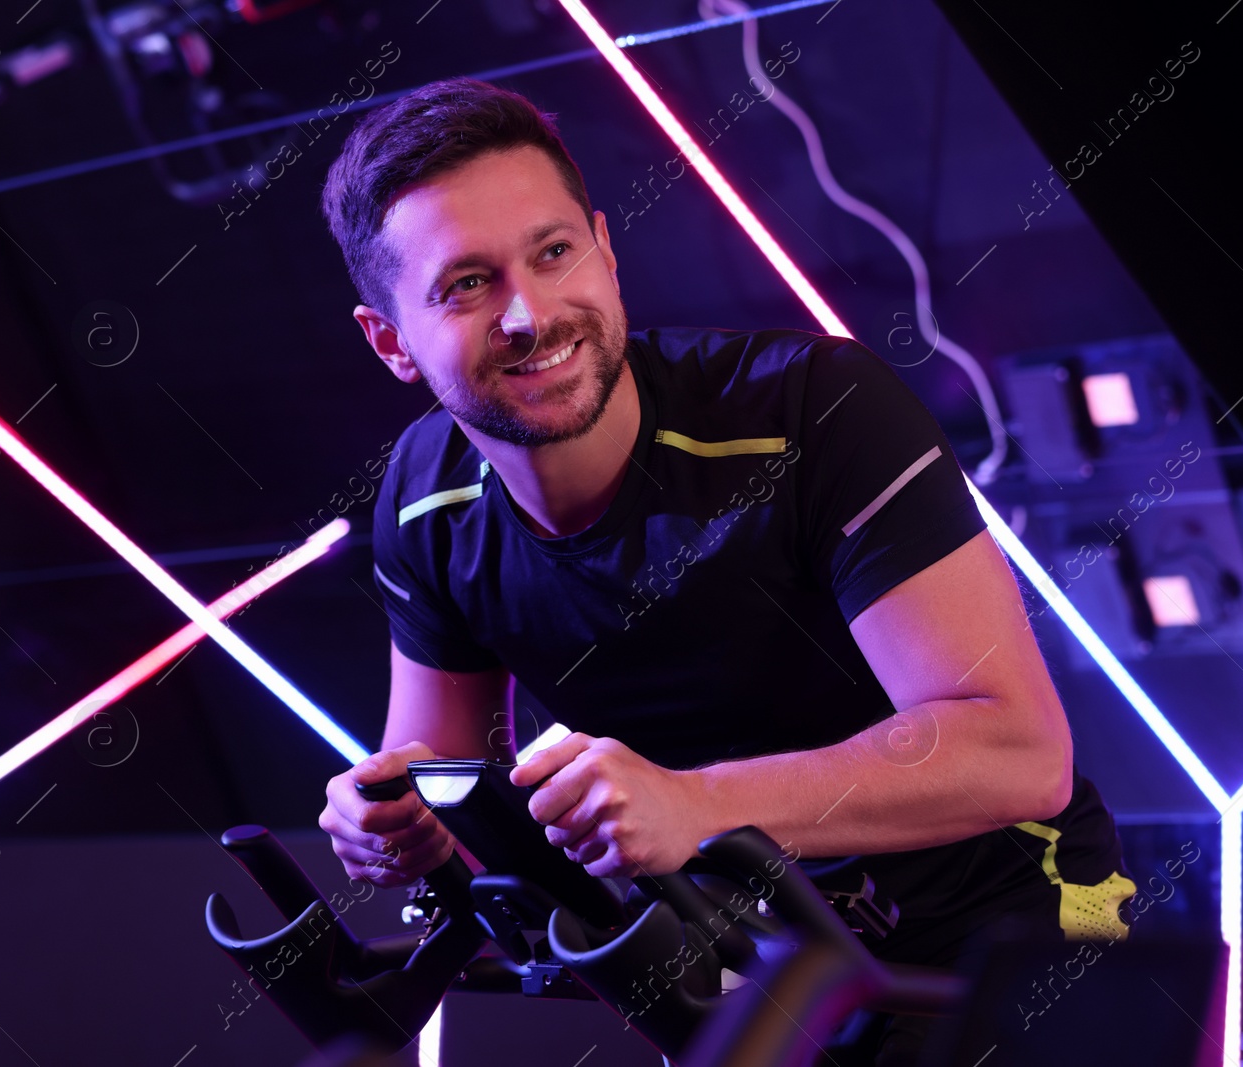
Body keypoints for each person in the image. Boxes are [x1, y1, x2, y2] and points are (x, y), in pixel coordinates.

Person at [316, 77, 1136, 1065]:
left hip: (1016, 942)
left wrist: (697, 800)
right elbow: (440, 773)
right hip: (769, 974)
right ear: (390, 341)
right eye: (467, 284)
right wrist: (389, 821)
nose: (531, 312)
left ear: (607, 252)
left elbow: (1016, 753)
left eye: (553, 251)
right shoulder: (420, 493)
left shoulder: (815, 409)